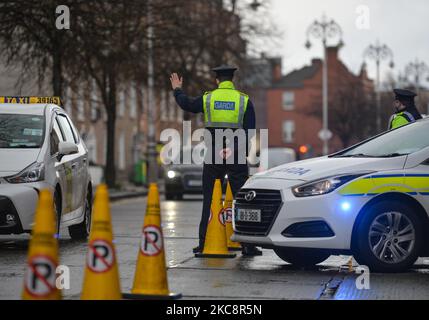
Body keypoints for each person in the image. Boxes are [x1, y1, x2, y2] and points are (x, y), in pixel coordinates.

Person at [170, 65, 262, 256]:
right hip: (235, 155)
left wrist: (177, 89)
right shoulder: (244, 101)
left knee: (210, 198)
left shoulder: (208, 98)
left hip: (213, 154)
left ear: (217, 81)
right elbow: (250, 132)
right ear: (232, 81)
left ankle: (204, 243)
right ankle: (247, 244)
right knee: (241, 200)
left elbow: (187, 104)